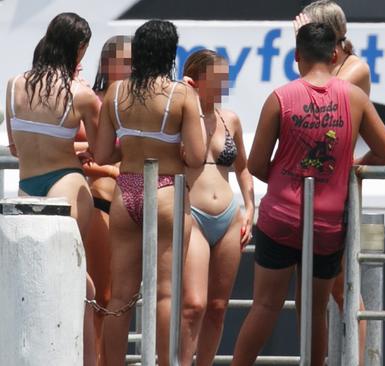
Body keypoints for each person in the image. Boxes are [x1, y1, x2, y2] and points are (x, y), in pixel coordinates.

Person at [231, 23, 385, 366]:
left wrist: (286, 176)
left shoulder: (280, 97)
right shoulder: (355, 98)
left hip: (281, 215)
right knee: (315, 309)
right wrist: (351, 166)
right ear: (335, 55)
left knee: (265, 304)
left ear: (296, 57)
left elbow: (258, 163)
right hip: (327, 221)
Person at [94, 20, 205, 366]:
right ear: (170, 52)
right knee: (165, 294)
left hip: (125, 190)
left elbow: (102, 155)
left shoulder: (115, 93)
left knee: (121, 296)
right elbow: (198, 156)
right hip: (168, 189)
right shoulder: (181, 94)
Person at [4, 12, 100, 365]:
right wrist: (80, 148)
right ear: (78, 49)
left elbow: (15, 147)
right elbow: (104, 149)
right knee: (77, 285)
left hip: (28, 187)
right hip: (68, 183)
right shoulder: (81, 93)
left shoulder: (14, 84)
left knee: (39, 285)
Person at [294, 1, 370, 361]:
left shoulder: (354, 69)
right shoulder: (332, 65)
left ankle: (351, 358)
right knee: (309, 290)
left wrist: (303, 43)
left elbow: (319, 94)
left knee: (342, 288)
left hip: (336, 193)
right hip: (312, 188)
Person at [179, 49, 254, 365]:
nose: (224, 83)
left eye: (226, 77)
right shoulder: (179, 117)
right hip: (191, 214)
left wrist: (251, 208)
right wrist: (186, 96)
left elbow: (243, 168)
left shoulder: (230, 118)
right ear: (196, 79)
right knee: (193, 305)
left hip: (229, 215)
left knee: (219, 306)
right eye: (217, 77)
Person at [76, 35, 132, 366]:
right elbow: (68, 149)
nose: (131, 69)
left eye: (134, 63)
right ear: (108, 64)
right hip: (100, 203)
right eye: (126, 62)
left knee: (119, 301)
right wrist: (110, 170)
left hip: (130, 206)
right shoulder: (91, 100)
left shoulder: (135, 107)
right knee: (102, 299)